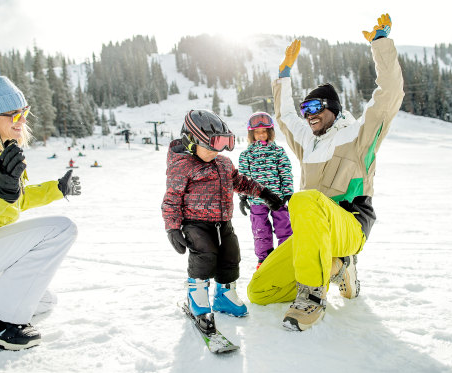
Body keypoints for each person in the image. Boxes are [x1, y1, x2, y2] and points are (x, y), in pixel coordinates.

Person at [247, 13, 404, 331]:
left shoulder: (359, 135)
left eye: (315, 107)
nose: (308, 115)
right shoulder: (308, 142)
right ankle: (336, 266)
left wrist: (380, 44)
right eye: (306, 110)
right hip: (313, 232)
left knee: (304, 200)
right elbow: (284, 114)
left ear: (334, 108)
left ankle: (312, 298)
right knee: (259, 290)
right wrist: (283, 74)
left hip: (350, 225)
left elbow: (389, 94)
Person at [0, 53, 82, 350]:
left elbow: (13, 200)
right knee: (61, 229)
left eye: (24, 112)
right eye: (13, 114)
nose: (22, 121)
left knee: (41, 300)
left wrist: (56, 188)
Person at [161, 110, 283, 329]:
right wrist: (172, 228)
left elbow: (241, 182)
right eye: (212, 145)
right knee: (205, 256)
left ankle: (224, 296)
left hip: (223, 223)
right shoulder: (183, 166)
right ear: (191, 141)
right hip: (195, 224)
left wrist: (265, 194)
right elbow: (171, 199)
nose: (217, 151)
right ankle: (196, 297)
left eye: (223, 144)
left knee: (231, 256)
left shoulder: (224, 163)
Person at [238, 112, 294, 269]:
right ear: (252, 134)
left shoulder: (278, 152)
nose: (261, 135)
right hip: (257, 200)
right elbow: (243, 178)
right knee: (260, 231)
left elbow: (285, 172)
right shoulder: (246, 155)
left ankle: (286, 255)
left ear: (270, 132)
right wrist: (243, 197)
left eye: (264, 131)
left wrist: (288, 193)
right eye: (257, 132)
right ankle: (264, 260)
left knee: (284, 227)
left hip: (278, 199)